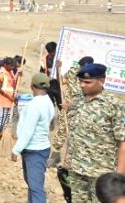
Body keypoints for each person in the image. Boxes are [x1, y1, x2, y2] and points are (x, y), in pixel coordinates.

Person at [68, 63, 125, 202]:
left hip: (101, 173)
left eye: (87, 82)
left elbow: (122, 141)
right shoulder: (77, 100)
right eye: (80, 81)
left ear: (102, 81)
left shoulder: (114, 104)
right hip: (77, 169)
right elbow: (74, 132)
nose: (82, 85)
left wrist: (119, 175)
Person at [11, 73, 56, 203]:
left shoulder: (34, 105)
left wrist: (16, 150)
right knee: (32, 184)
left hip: (33, 150)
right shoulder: (48, 101)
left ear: (32, 86)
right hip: (41, 148)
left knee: (35, 188)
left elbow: (27, 131)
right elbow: (50, 124)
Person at [50, 56, 94, 167]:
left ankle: (73, 162)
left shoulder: (93, 79)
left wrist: (72, 105)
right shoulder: (73, 71)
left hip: (81, 111)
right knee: (61, 131)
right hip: (66, 109)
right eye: (80, 67)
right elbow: (61, 80)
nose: (80, 69)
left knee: (77, 135)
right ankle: (55, 157)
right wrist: (58, 68)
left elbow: (91, 97)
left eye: (83, 67)